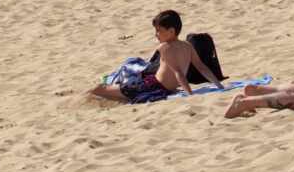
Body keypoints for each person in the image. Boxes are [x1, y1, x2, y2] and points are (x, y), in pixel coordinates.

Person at [89, 9, 222, 103]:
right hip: (160, 86)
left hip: (151, 86)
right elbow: (202, 67)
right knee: (114, 92)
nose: (156, 34)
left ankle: (88, 94)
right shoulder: (187, 46)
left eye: (159, 31)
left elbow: (178, 73)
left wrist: (190, 94)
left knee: (101, 90)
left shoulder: (165, 48)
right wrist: (219, 85)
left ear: (171, 31)